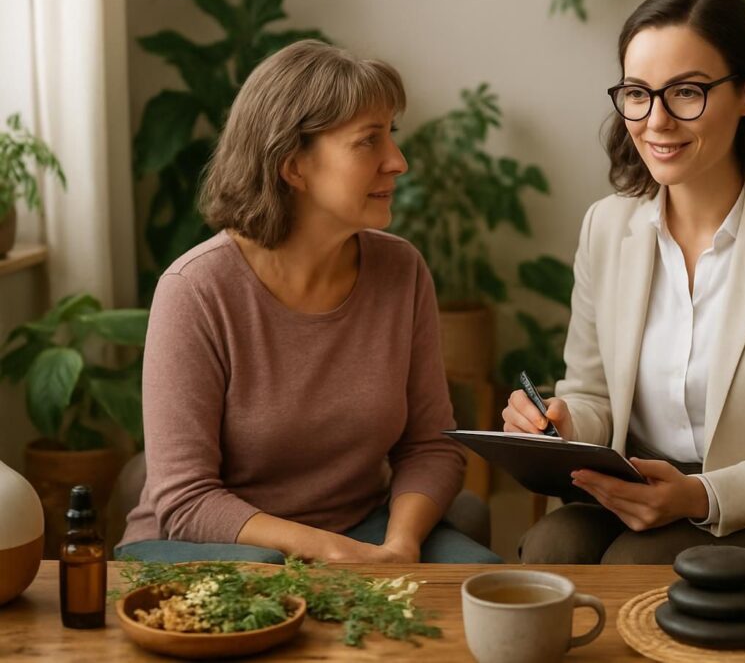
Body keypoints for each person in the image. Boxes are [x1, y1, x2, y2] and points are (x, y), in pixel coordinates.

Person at [502, 0, 745, 566]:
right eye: (636, 93)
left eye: (686, 92)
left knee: (639, 565)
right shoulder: (607, 226)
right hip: (639, 491)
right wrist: (558, 420)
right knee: (554, 546)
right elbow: (593, 393)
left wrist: (699, 495)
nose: (656, 121)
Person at [118, 41, 501, 564]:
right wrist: (332, 553)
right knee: (276, 590)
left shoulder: (402, 270)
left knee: (484, 584)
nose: (398, 162)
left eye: (393, 136)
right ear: (293, 166)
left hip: (365, 529)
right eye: (369, 142)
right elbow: (186, 499)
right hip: (213, 544)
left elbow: (429, 446)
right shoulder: (195, 289)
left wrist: (400, 546)